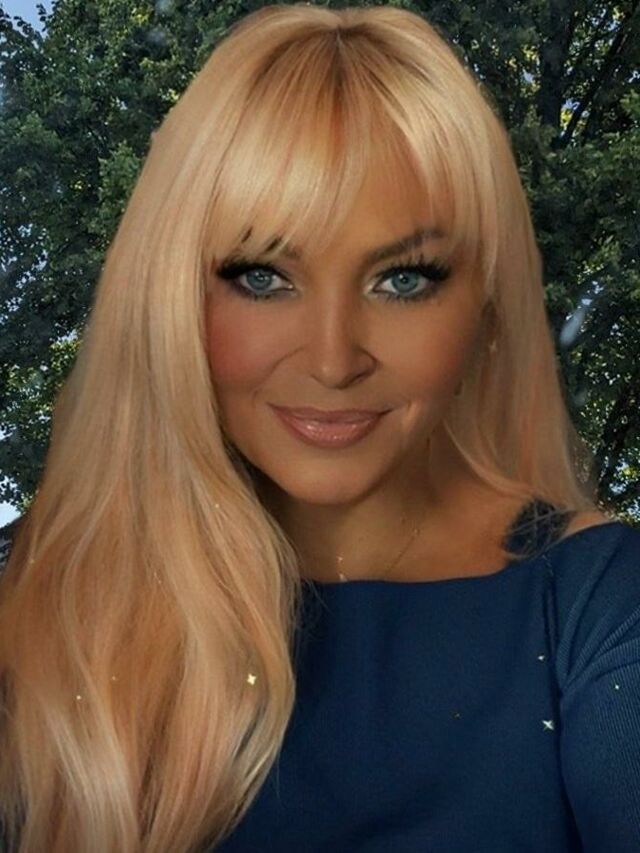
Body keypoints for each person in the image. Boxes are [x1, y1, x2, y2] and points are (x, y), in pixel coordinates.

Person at [0, 3, 637, 851]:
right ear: (170, 298)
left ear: (487, 306)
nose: (334, 360)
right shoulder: (31, 597)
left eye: (402, 279)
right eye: (264, 278)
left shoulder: (597, 606)